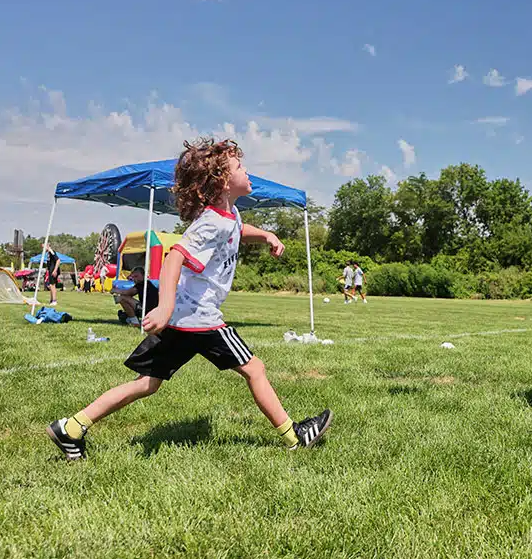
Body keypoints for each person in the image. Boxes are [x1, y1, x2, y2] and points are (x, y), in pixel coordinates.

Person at [46, 137, 333, 461]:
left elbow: (238, 229)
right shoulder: (211, 222)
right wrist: (165, 307)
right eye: (240, 166)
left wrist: (265, 234)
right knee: (255, 369)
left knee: (146, 385)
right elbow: (174, 258)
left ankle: (71, 427)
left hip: (184, 321)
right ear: (223, 182)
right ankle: (294, 436)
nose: (248, 170)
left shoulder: (228, 215)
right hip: (200, 319)